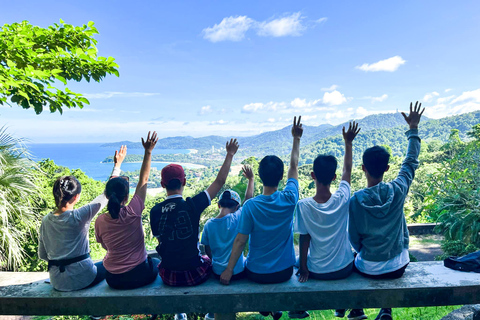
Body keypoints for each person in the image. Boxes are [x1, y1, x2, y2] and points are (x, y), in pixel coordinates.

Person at [220, 116, 303, 320]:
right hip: (284, 271)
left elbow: (240, 241)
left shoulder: (250, 206)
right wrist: (296, 138)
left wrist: (228, 271)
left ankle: (268, 308)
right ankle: (274, 309)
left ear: (261, 176)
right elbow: (294, 166)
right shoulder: (290, 198)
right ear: (281, 177)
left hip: (257, 273)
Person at [347, 102, 424, 320]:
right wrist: (413, 130)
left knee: (351, 261)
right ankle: (386, 309)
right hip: (398, 265)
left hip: (368, 266)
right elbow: (410, 162)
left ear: (363, 168)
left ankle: (357, 310)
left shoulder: (355, 201)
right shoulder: (398, 190)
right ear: (387, 169)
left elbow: (354, 239)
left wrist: (363, 251)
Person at [294, 122, 363, 320]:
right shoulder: (342, 198)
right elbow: (347, 171)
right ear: (334, 177)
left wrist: (304, 268)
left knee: (294, 261)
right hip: (343, 268)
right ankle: (346, 308)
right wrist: (348, 143)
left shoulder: (304, 205)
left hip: (316, 271)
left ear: (312, 176)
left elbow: (304, 240)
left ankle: (297, 308)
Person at [150, 138, 239, 287]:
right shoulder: (193, 205)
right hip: (194, 273)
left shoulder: (155, 211)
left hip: (169, 275)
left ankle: (179, 312)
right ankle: (211, 311)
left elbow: (162, 243)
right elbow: (220, 181)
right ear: (184, 182)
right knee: (209, 261)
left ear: (162, 184)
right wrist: (230, 154)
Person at [38, 145, 127, 291]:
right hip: (83, 278)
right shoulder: (79, 216)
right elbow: (106, 195)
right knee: (109, 263)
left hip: (57, 282)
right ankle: (97, 312)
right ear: (76, 197)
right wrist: (117, 166)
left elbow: (42, 254)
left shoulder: (46, 221)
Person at [95, 132, 159, 290]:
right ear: (126, 197)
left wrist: (117, 166)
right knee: (157, 262)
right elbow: (143, 180)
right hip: (140, 275)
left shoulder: (100, 221)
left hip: (114, 280)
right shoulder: (133, 211)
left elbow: (105, 247)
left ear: (107, 195)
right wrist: (148, 151)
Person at [201, 165, 254, 320]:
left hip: (218, 273)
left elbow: (207, 249)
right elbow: (249, 200)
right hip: (237, 272)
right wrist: (251, 179)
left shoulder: (209, 225)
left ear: (219, 205)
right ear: (237, 206)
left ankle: (212, 314)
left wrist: (216, 261)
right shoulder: (238, 217)